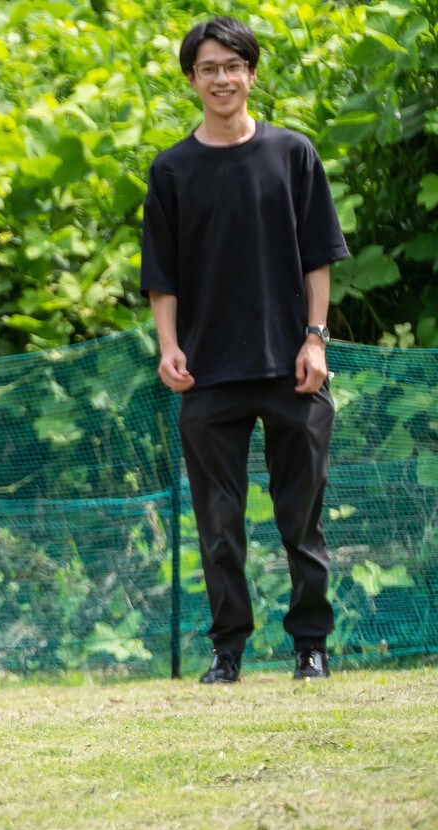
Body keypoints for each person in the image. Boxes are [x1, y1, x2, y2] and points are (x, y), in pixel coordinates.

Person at [140, 16, 349, 683]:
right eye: (209, 68)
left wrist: (315, 339)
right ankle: (227, 651)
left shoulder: (293, 154)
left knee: (301, 521)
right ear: (192, 80)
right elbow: (161, 275)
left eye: (233, 65)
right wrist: (168, 347)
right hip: (206, 372)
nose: (222, 78)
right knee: (219, 524)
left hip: (293, 367)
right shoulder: (172, 170)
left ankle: (310, 647)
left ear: (252, 74)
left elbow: (319, 257)